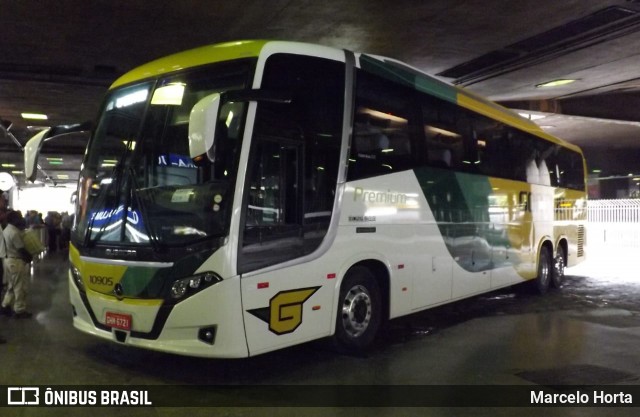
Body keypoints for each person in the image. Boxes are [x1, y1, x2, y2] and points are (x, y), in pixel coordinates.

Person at [1, 210, 33, 319]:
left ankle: (5, 305)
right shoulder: (14, 232)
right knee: (19, 287)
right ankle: (19, 310)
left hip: (8, 261)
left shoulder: (6, 230)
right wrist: (29, 257)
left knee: (11, 285)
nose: (21, 219)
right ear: (14, 219)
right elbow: (21, 249)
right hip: (15, 261)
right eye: (19, 217)